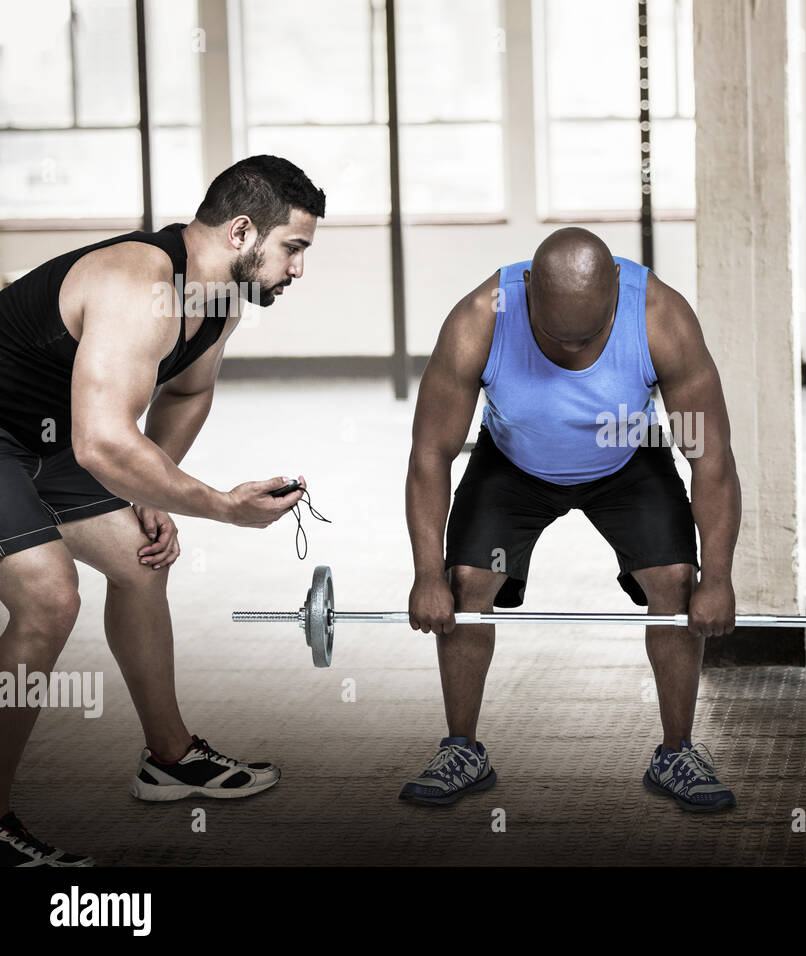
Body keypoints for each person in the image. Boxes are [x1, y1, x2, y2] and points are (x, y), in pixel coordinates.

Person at [0, 154, 325, 866]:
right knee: (50, 598)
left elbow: (186, 394)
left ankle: (170, 758)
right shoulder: (136, 281)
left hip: (51, 441)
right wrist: (216, 505)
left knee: (141, 562)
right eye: (293, 249)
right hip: (21, 439)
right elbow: (103, 442)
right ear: (243, 231)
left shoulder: (218, 301)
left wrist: (153, 490)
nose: (297, 270)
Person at [404, 227, 742, 812]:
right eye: (556, 339)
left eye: (588, 339)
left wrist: (720, 577)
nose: (572, 354)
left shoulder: (661, 316)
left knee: (673, 580)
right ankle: (462, 747)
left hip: (627, 459)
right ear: (528, 292)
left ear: (617, 292)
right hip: (513, 462)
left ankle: (678, 752)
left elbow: (710, 460)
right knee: (466, 584)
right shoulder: (479, 319)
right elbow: (430, 454)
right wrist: (426, 574)